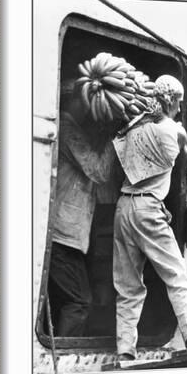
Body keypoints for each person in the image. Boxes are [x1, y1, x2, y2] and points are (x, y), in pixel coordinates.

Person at [112, 75, 187, 360]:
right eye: (179, 101)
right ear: (170, 100)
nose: (181, 108)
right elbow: (183, 153)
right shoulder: (174, 129)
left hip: (124, 207)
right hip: (147, 211)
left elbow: (140, 169)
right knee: (177, 276)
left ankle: (125, 352)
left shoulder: (133, 129)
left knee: (128, 286)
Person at [47, 78, 116, 336]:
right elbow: (98, 170)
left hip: (70, 236)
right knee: (79, 302)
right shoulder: (67, 129)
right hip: (63, 237)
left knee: (70, 300)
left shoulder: (73, 130)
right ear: (76, 101)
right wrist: (114, 137)